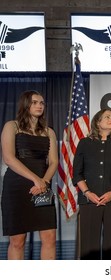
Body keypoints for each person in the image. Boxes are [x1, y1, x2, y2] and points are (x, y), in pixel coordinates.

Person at [1, 90, 58, 260]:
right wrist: (36, 180)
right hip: (17, 187)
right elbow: (9, 158)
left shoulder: (49, 131)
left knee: (50, 238)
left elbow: (54, 162)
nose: (39, 106)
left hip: (43, 186)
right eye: (35, 102)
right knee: (18, 241)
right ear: (26, 104)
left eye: (41, 103)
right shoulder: (12, 126)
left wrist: (44, 182)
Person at [72, 108, 111, 260]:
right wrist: (87, 193)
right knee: (89, 247)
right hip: (89, 200)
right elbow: (77, 173)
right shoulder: (84, 143)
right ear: (97, 123)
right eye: (107, 117)